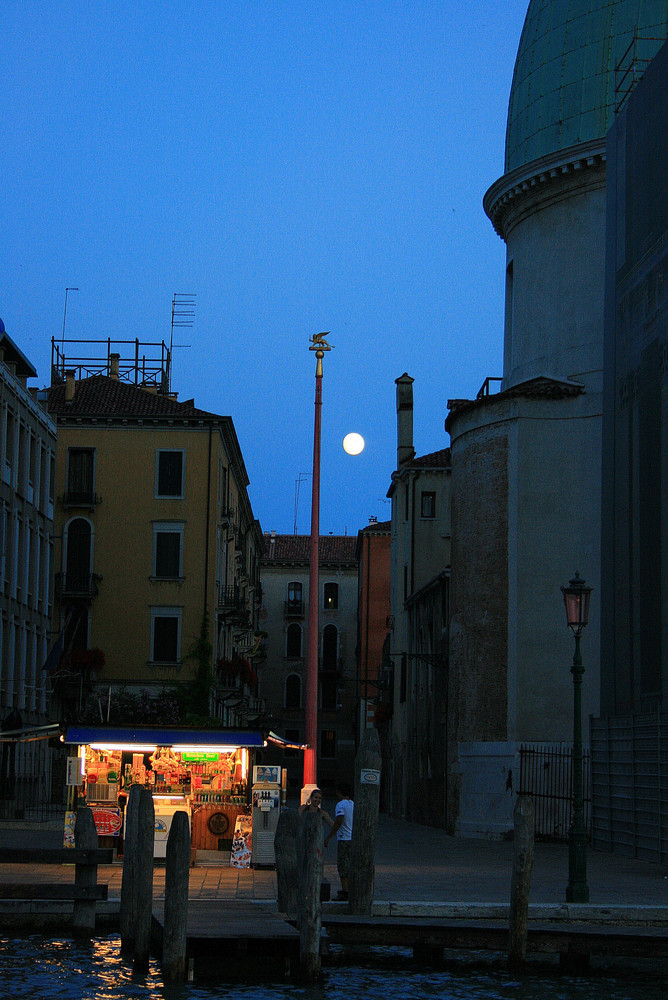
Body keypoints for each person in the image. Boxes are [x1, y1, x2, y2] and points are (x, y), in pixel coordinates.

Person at [324, 781, 354, 900]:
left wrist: (329, 837)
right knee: (350, 865)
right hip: (352, 838)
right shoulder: (353, 804)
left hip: (344, 839)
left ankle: (345, 891)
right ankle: (349, 889)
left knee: (343, 866)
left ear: (339, 792)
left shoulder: (340, 805)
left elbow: (339, 821)